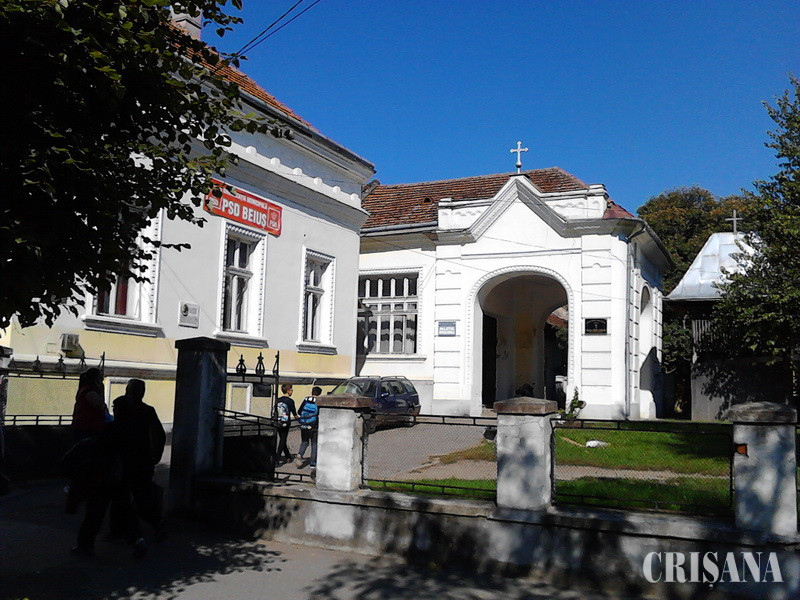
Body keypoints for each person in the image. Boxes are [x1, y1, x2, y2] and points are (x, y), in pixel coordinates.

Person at [110, 379, 166, 545]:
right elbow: (160, 435)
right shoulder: (147, 410)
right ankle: (154, 525)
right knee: (141, 496)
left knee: (122, 496)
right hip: (142, 460)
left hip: (126, 459)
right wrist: (156, 455)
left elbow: (115, 434)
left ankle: (121, 531)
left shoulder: (123, 407)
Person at [71, 367, 111, 441]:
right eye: (100, 378)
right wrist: (102, 391)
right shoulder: (90, 392)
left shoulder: (84, 390)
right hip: (88, 427)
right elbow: (100, 406)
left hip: (85, 426)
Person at [295, 386, 320, 468]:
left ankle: (300, 454)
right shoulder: (319, 401)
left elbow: (299, 411)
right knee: (314, 444)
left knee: (304, 442)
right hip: (314, 426)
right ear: (319, 394)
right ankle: (312, 464)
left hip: (304, 425)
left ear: (312, 392)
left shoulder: (306, 400)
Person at [275, 383, 297, 465]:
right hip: (286, 423)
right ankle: (277, 458)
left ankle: (288, 456)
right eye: (291, 390)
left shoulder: (277, 400)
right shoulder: (290, 401)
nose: (292, 391)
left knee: (282, 439)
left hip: (278, 422)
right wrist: (300, 419)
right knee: (283, 440)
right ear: (288, 391)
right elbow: (294, 414)